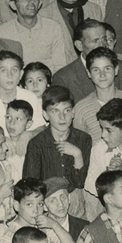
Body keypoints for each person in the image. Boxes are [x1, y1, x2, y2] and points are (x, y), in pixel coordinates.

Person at [22, 85, 92, 214]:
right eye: (55, 111)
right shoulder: (37, 144)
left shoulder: (83, 139)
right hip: (47, 203)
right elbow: (30, 184)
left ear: (73, 112)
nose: (62, 117)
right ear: (45, 115)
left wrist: (77, 154)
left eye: (66, 110)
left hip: (75, 202)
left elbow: (79, 182)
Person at [0, 51, 43, 130]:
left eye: (14, 70)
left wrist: (28, 135)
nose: (9, 75)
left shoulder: (30, 98)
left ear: (21, 74)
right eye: (3, 70)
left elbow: (41, 127)